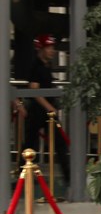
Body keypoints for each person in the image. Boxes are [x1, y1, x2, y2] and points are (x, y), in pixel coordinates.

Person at [22, 34, 70, 189]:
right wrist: (48, 106)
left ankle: (69, 177)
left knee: (60, 144)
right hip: (38, 112)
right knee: (30, 144)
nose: (52, 51)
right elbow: (34, 90)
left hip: (47, 112)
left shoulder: (46, 66)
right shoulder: (36, 66)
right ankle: (24, 176)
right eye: (49, 48)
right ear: (41, 49)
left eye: (52, 47)